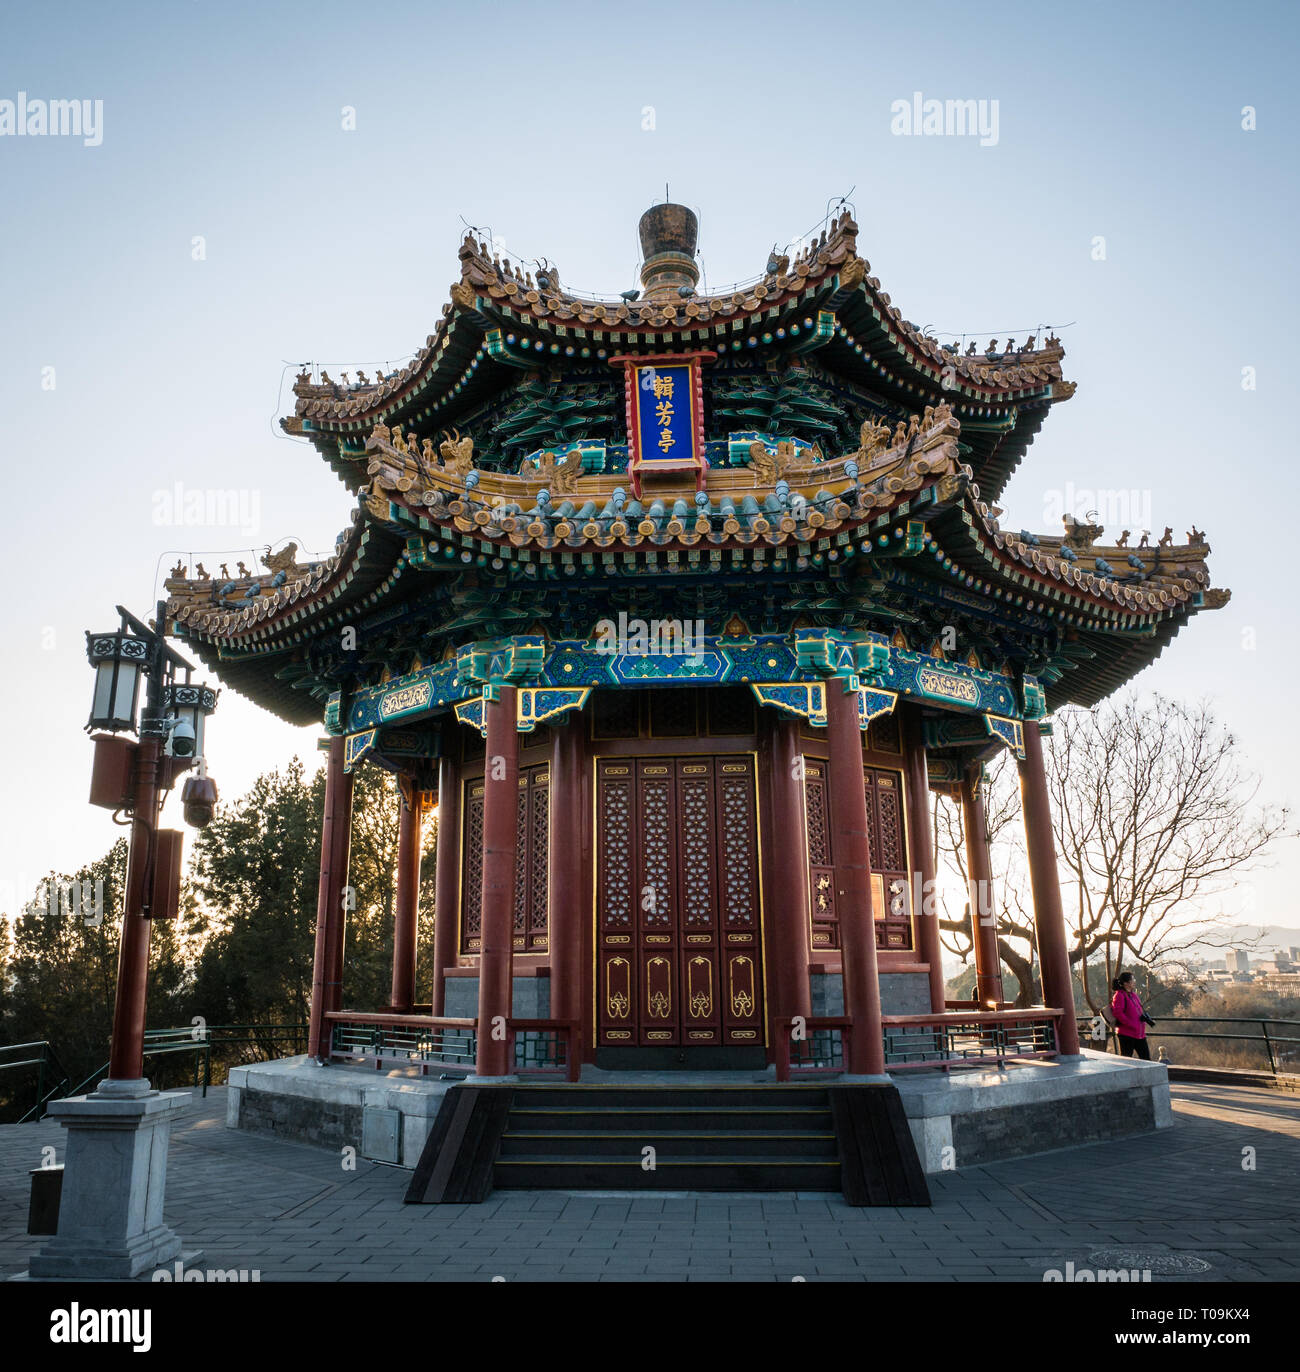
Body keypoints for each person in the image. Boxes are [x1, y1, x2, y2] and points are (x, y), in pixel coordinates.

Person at [1110, 972, 1155, 1059]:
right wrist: (1131, 1024)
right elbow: (1117, 1013)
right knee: (1127, 1061)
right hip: (1126, 1034)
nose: (1134, 981)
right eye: (1132, 979)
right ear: (1126, 983)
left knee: (1146, 1059)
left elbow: (1138, 1011)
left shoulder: (1133, 994)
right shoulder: (1119, 995)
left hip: (1139, 1033)